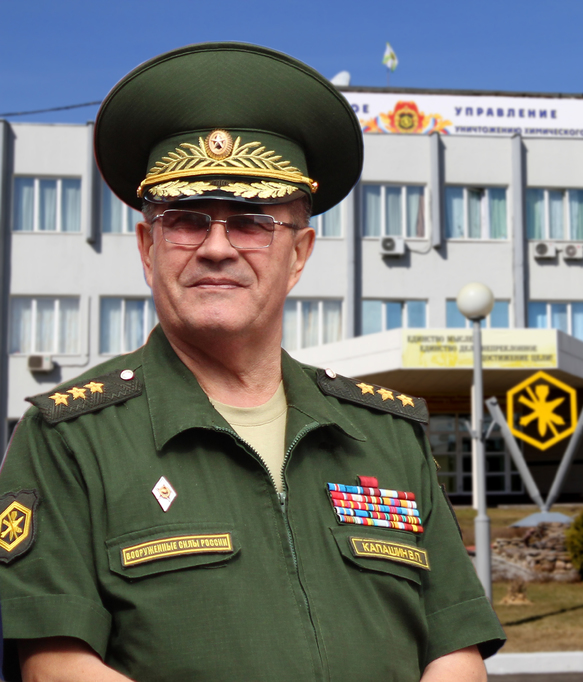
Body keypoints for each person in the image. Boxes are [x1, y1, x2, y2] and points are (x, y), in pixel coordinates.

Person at [0, 42, 504, 681]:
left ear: (299, 254)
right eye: (186, 221)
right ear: (147, 248)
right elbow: (56, 666)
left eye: (250, 222)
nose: (217, 248)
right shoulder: (71, 437)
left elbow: (455, 650)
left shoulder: (386, 435)